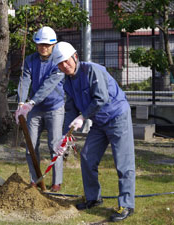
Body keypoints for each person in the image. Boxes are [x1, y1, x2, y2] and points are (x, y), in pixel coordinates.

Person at [52, 41, 135, 222]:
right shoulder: (67, 83)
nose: (65, 66)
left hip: (117, 116)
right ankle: (93, 198)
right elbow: (71, 109)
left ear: (75, 57)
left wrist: (83, 117)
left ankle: (127, 204)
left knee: (123, 162)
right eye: (60, 63)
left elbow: (101, 98)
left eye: (66, 61)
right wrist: (65, 136)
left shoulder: (92, 70)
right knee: (88, 157)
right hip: (99, 122)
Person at [15, 26, 65, 192]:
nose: (43, 47)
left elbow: (48, 86)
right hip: (34, 109)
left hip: (54, 107)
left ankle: (56, 182)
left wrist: (32, 102)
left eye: (47, 45)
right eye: (40, 44)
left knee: (54, 145)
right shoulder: (30, 60)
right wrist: (22, 103)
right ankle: (35, 179)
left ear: (53, 45)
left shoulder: (58, 61)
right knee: (31, 146)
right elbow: (24, 80)